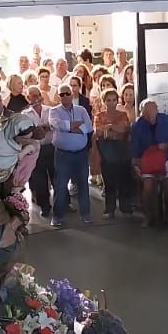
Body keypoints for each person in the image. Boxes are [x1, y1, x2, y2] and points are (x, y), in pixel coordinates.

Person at [45, 84, 93, 229]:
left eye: (67, 93)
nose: (65, 96)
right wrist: (75, 126)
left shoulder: (82, 109)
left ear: (72, 95)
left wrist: (69, 127)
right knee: (60, 186)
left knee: (83, 184)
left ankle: (86, 213)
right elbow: (57, 125)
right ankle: (57, 216)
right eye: (62, 94)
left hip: (81, 154)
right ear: (59, 96)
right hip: (63, 155)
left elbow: (89, 126)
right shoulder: (54, 111)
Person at [130, 100, 168, 229]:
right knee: (147, 187)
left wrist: (167, 145)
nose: (150, 117)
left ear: (157, 111)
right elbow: (134, 148)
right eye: (146, 115)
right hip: (147, 158)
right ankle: (148, 216)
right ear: (142, 114)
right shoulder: (137, 126)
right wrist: (135, 164)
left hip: (166, 156)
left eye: (152, 114)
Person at [94, 88, 135, 219]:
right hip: (106, 150)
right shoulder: (99, 116)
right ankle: (109, 209)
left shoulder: (122, 115)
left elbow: (124, 129)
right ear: (104, 102)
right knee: (109, 181)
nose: (111, 103)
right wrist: (113, 130)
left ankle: (126, 208)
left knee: (125, 180)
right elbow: (99, 132)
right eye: (108, 100)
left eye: (113, 100)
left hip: (122, 149)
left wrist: (110, 127)